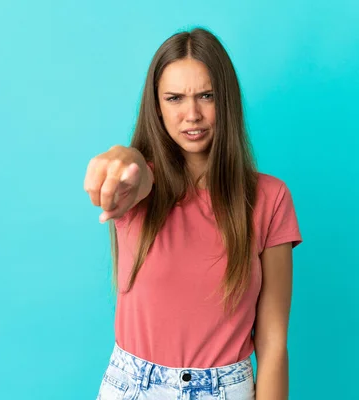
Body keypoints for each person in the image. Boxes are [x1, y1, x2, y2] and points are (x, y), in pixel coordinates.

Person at [84, 27, 302, 400]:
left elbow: (273, 342)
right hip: (133, 386)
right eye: (174, 98)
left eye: (206, 96)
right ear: (156, 106)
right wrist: (122, 158)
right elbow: (133, 169)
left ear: (226, 101)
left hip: (226, 388)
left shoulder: (270, 198)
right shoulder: (138, 188)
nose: (192, 115)